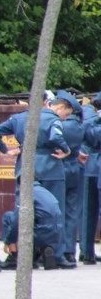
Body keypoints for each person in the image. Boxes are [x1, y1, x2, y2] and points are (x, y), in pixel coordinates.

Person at [0, 92, 72, 264]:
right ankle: (55, 253)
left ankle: (25, 253)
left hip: (26, 167)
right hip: (51, 167)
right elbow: (56, 136)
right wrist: (66, 150)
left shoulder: (19, 118)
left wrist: (6, 149)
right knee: (55, 211)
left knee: (25, 210)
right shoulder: (53, 119)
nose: (65, 118)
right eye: (66, 114)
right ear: (55, 105)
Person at [2, 183, 67, 270]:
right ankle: (42, 251)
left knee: (9, 216)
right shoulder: (46, 192)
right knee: (36, 221)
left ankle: (14, 257)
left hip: (40, 233)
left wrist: (8, 241)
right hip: (56, 235)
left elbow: (16, 221)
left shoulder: (26, 192)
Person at [58, 92, 85, 265]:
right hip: (75, 168)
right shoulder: (80, 127)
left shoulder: (60, 125)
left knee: (59, 209)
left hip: (59, 168)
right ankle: (69, 250)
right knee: (71, 211)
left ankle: (59, 249)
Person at [81, 97, 101, 263]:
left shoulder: (90, 121)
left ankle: (86, 251)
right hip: (95, 164)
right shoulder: (93, 122)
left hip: (91, 165)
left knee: (89, 210)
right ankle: (87, 251)